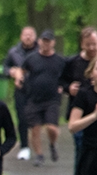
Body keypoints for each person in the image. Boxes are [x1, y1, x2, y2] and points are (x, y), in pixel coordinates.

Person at [60, 26, 97, 175]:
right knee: (81, 148)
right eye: (88, 44)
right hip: (78, 113)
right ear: (82, 44)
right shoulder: (72, 62)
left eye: (94, 44)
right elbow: (60, 81)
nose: (91, 48)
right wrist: (69, 88)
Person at [20, 30, 65, 166]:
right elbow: (22, 70)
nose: (46, 43)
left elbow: (66, 76)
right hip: (34, 98)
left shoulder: (59, 60)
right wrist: (19, 79)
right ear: (39, 42)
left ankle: (52, 144)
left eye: (49, 41)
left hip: (52, 99)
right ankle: (39, 155)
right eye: (43, 41)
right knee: (35, 128)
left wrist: (63, 86)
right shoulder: (31, 58)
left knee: (52, 128)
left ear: (53, 43)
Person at [3, 26, 39, 160]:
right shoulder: (13, 52)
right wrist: (11, 72)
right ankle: (24, 147)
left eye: (31, 34)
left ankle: (38, 149)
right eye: (25, 34)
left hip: (36, 90)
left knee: (35, 119)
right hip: (21, 90)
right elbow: (5, 67)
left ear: (35, 37)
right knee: (22, 118)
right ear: (21, 36)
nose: (28, 37)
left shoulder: (40, 51)